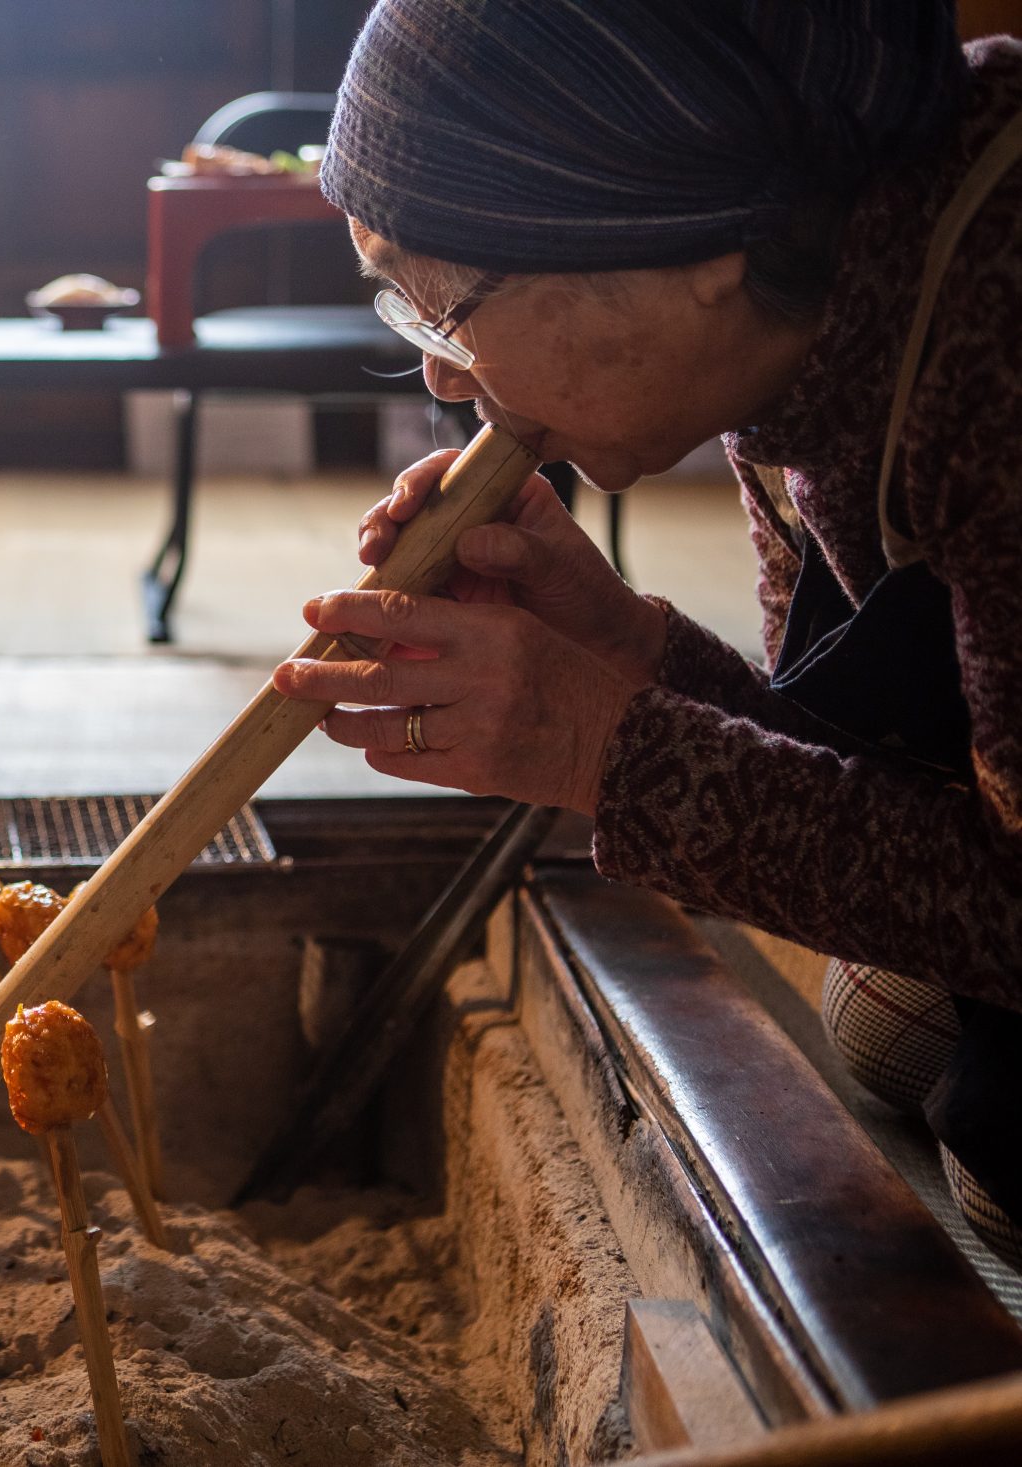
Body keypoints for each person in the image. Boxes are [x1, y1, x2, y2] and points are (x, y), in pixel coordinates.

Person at [269, 0, 1022, 1266]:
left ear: (691, 246)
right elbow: (874, 785)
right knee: (882, 1022)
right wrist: (624, 645)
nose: (442, 377)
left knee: (999, 1152)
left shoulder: (992, 341)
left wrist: (599, 750)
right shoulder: (794, 321)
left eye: (447, 303)